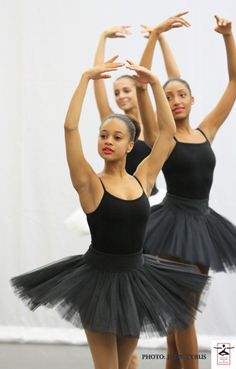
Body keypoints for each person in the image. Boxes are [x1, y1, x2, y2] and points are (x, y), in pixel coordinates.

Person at [11, 59, 209, 369]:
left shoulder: (143, 179)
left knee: (126, 364)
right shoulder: (89, 183)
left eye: (117, 137)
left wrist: (155, 83)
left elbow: (167, 134)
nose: (108, 141)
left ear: (131, 145)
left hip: (135, 281)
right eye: (104, 135)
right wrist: (85, 79)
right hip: (99, 283)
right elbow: (70, 128)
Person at [138, 14, 236, 369]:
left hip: (204, 225)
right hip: (171, 226)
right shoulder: (161, 136)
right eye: (168, 96)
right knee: (183, 314)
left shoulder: (205, 130)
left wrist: (228, 36)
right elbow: (140, 87)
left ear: (193, 100)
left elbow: (235, 81)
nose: (176, 100)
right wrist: (156, 36)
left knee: (181, 314)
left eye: (182, 95)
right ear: (163, 104)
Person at [64, 15, 189, 236]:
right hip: (110, 196)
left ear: (130, 144)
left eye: (126, 90)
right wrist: (99, 48)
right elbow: (93, 93)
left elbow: (166, 127)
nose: (121, 96)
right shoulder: (113, 121)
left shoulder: (149, 128)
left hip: (141, 196)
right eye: (104, 136)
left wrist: (156, 38)